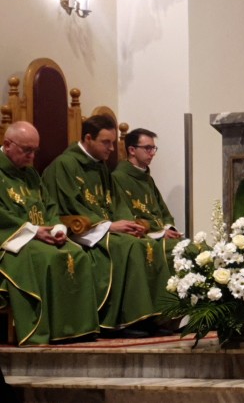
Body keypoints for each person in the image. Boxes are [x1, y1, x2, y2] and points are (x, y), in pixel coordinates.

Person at [42, 115, 173, 338]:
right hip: (83, 230)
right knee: (131, 247)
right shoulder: (64, 165)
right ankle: (122, 320)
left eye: (113, 142)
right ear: (88, 138)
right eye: (106, 142)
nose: (112, 149)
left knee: (145, 243)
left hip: (106, 228)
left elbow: (116, 203)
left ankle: (153, 317)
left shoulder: (100, 166)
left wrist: (130, 224)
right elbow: (69, 206)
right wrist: (109, 226)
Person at [0, 121, 99, 345]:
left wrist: (57, 229)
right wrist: (33, 232)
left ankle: (77, 328)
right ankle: (45, 329)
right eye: (27, 150)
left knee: (78, 254)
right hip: (12, 242)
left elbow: (50, 207)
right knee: (48, 257)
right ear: (7, 144)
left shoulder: (31, 174)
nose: (32, 157)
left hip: (39, 236)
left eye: (35, 150)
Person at [111, 128, 182, 243]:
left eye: (153, 148)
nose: (153, 153)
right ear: (132, 150)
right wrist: (160, 234)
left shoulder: (147, 179)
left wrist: (169, 229)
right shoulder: (118, 178)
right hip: (144, 239)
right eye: (148, 148)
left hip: (161, 235)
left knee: (199, 248)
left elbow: (164, 212)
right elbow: (125, 217)